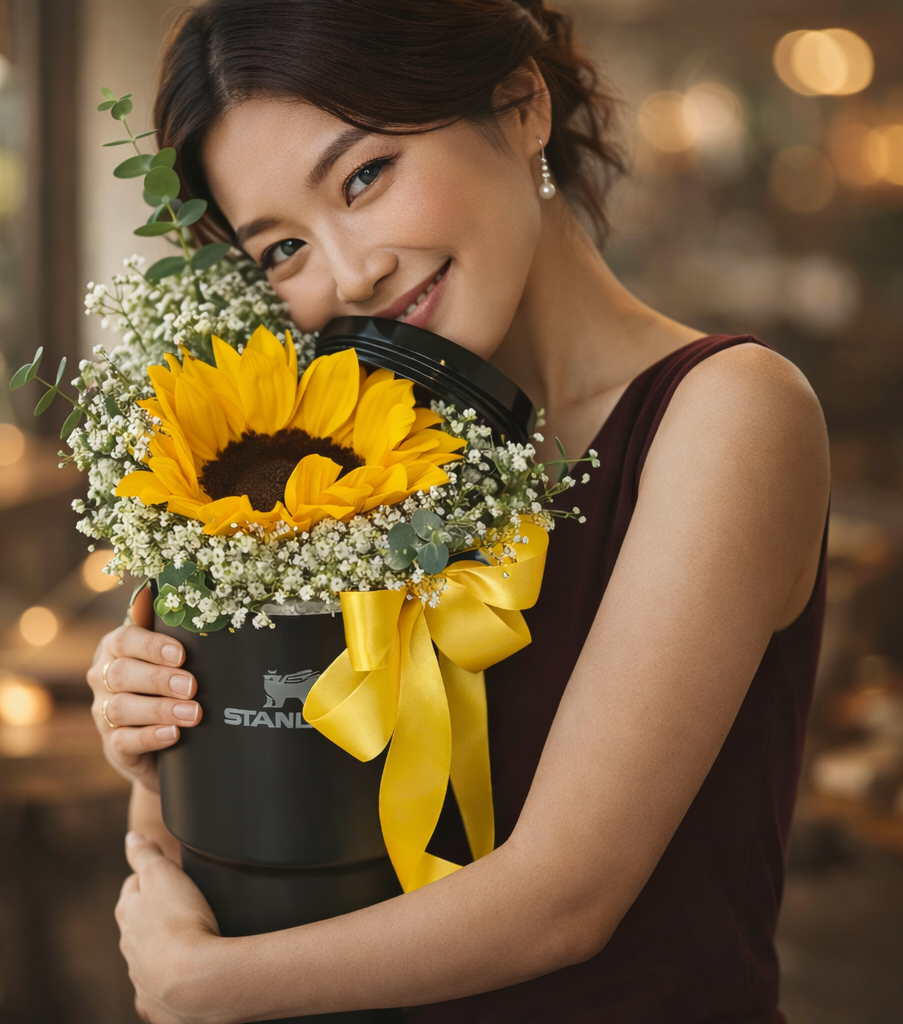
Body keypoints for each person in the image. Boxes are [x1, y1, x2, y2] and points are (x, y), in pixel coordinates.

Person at [88, 2, 830, 1021]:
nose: (351, 272)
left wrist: (204, 988)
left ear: (519, 103)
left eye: (363, 176)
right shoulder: (348, 452)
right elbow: (247, 851)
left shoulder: (729, 413)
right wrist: (160, 732)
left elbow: (565, 900)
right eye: (281, 251)